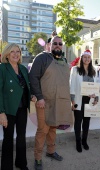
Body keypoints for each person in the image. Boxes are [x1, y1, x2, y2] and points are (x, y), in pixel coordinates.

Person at [29, 35, 73, 170]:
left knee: (53, 128)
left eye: (60, 43)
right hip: (45, 102)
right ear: (50, 45)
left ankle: (51, 151)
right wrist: (39, 97)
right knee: (43, 130)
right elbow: (33, 78)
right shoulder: (42, 58)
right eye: (55, 43)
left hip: (60, 102)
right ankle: (37, 158)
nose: (58, 46)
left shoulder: (65, 60)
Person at [0, 43, 33, 170]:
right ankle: (6, 167)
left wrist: (32, 96)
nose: (16, 54)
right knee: (8, 139)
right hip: (8, 110)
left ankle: (21, 163)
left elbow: (25, 88)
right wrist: (1, 112)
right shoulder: (2, 68)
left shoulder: (23, 69)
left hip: (22, 109)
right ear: (7, 55)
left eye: (18, 51)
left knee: (21, 137)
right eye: (12, 52)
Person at [70, 50, 98, 153]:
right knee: (78, 122)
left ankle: (84, 140)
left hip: (89, 100)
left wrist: (96, 98)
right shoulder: (75, 69)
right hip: (78, 99)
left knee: (86, 122)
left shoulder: (94, 70)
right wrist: (72, 100)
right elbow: (71, 84)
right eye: (85, 57)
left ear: (90, 59)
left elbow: (97, 85)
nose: (87, 59)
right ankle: (78, 142)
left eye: (88, 57)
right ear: (81, 58)